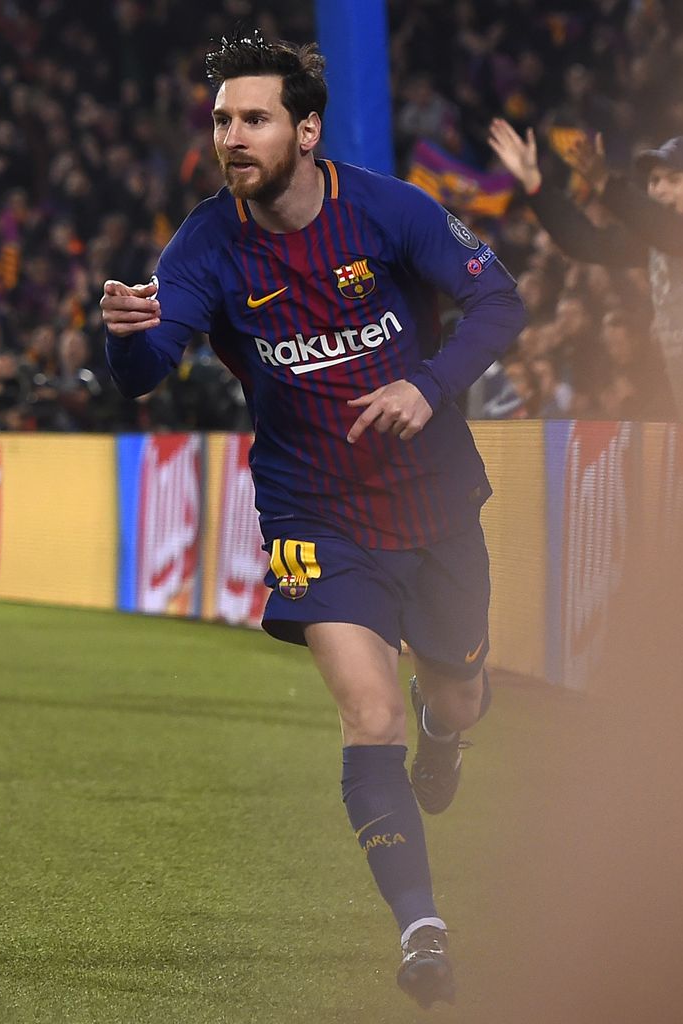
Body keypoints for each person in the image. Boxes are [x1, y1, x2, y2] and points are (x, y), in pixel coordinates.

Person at [100, 32, 526, 1009]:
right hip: (312, 511)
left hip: (432, 498)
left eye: (254, 118)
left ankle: (446, 726)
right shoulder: (205, 244)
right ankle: (421, 929)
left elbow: (499, 303)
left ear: (306, 130)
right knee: (367, 714)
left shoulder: (388, 211)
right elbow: (145, 372)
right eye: (222, 120)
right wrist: (125, 335)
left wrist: (427, 385)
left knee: (459, 692)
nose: (233, 137)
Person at [488, 120, 683, 424]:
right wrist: (533, 182)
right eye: (654, 181)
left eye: (674, 180)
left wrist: (606, 184)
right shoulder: (656, 240)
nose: (659, 189)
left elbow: (678, 235)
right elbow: (585, 241)